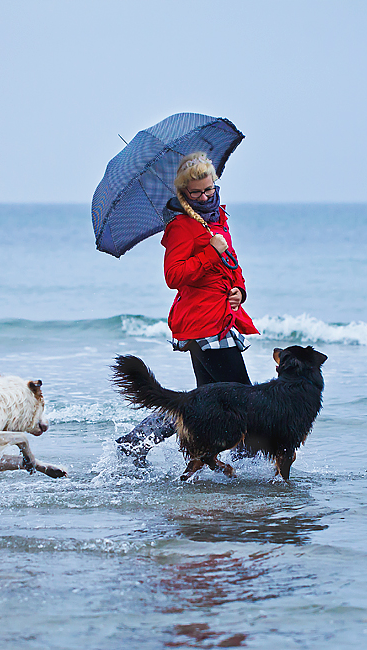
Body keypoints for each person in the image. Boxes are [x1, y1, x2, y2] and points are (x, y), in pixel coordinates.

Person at [117, 152, 260, 464]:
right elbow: (174, 276)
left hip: (222, 316)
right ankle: (253, 469)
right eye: (197, 192)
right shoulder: (181, 226)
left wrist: (239, 290)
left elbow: (231, 265)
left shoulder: (217, 219)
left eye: (210, 189)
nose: (205, 196)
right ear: (183, 194)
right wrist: (210, 251)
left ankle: (137, 442)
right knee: (241, 400)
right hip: (202, 322)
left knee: (205, 401)